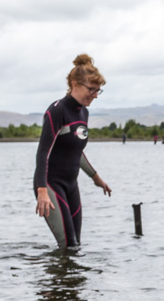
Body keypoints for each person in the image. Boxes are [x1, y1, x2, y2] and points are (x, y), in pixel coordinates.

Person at [33, 54, 113, 249]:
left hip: (71, 184)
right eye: (91, 89)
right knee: (68, 244)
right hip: (50, 185)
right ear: (75, 84)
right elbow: (43, 153)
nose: (95, 95)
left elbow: (77, 151)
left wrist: (95, 177)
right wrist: (42, 191)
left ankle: (69, 279)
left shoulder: (84, 112)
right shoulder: (57, 111)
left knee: (75, 245)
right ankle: (57, 278)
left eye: (98, 91)